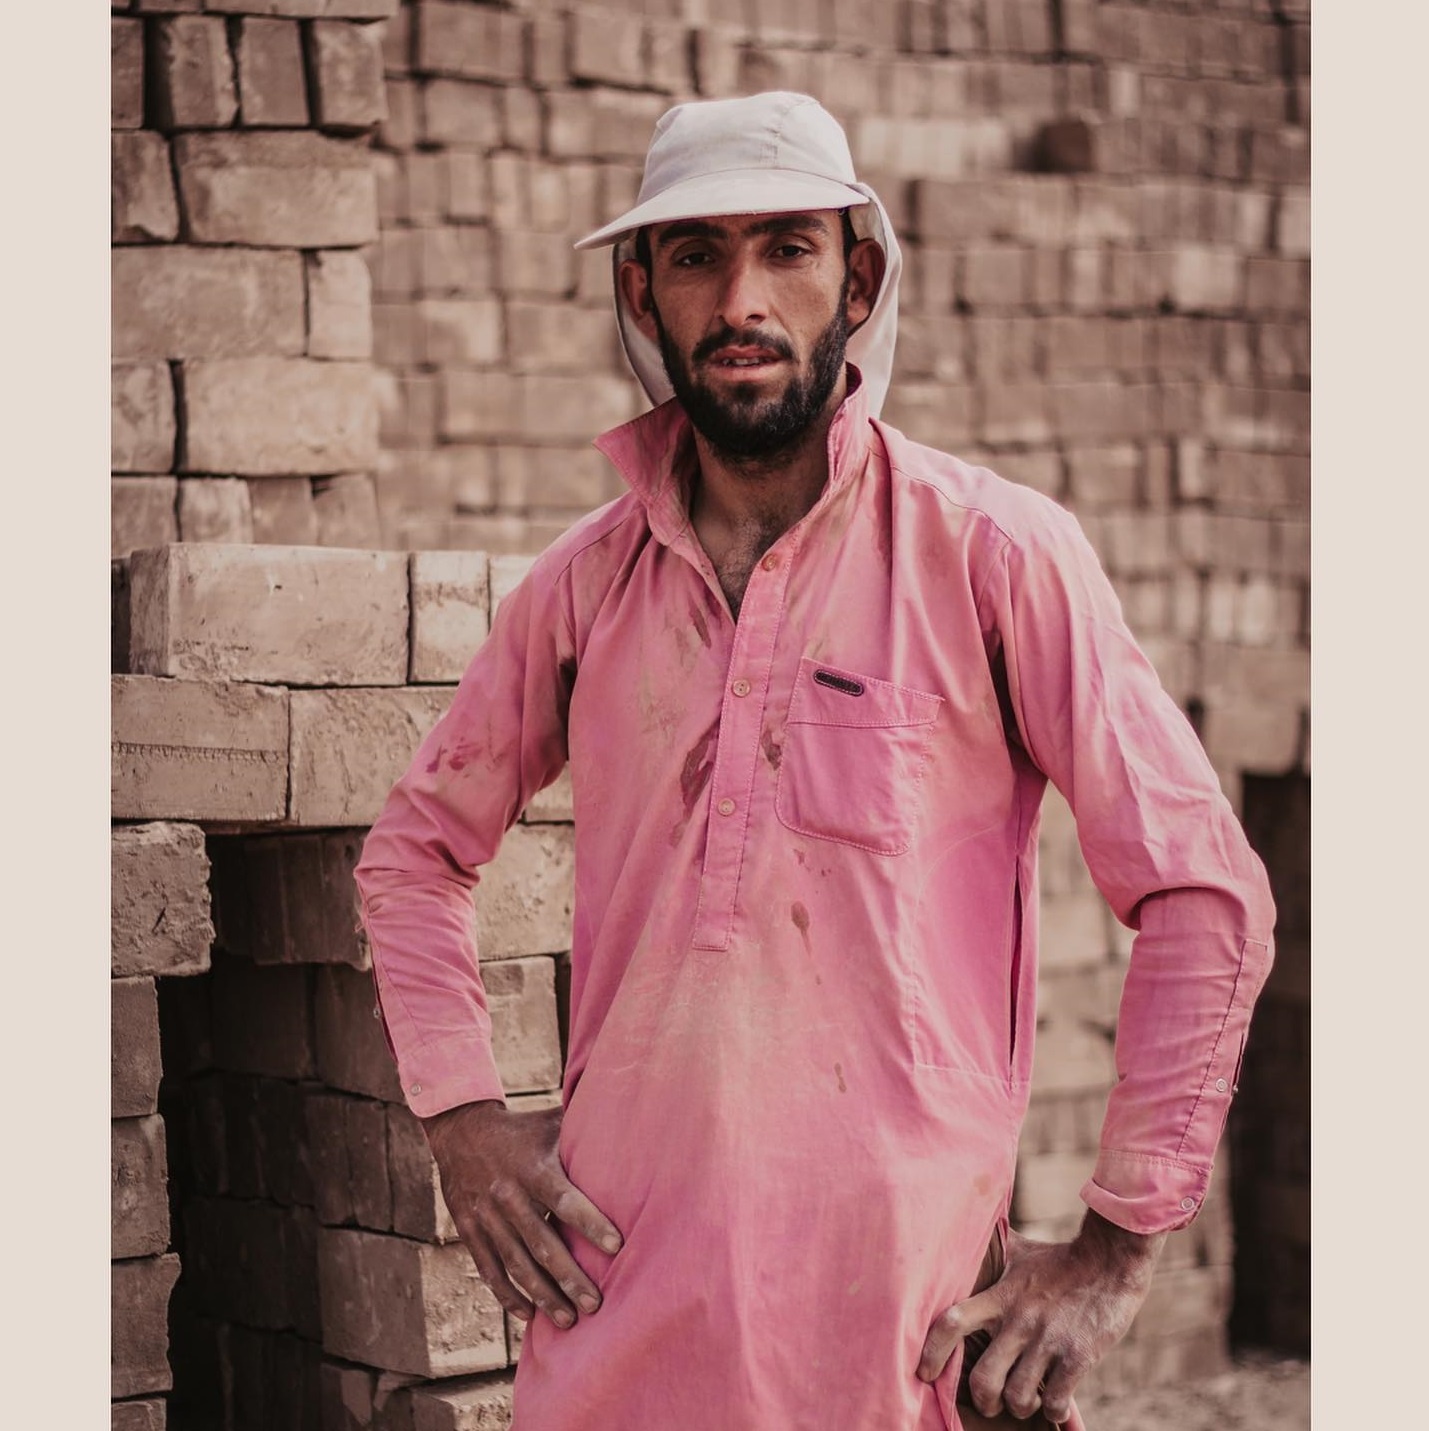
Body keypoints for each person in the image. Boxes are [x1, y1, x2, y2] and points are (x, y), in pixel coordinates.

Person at [355, 91, 1275, 1431]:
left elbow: (1203, 892)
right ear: (641, 290)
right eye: (695, 255)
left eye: (786, 247)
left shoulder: (992, 555)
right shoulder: (581, 588)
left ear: (858, 276)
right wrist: (464, 1126)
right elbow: (412, 855)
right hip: (615, 1340)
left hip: (894, 1356)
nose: (742, 297)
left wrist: (1112, 1251)